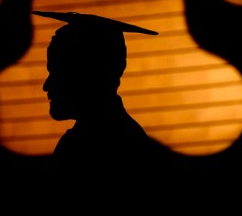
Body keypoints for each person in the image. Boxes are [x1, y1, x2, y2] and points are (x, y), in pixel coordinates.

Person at [33, 10, 173, 184]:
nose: (47, 85)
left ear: (92, 75)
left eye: (59, 72)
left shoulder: (112, 148)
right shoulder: (119, 139)